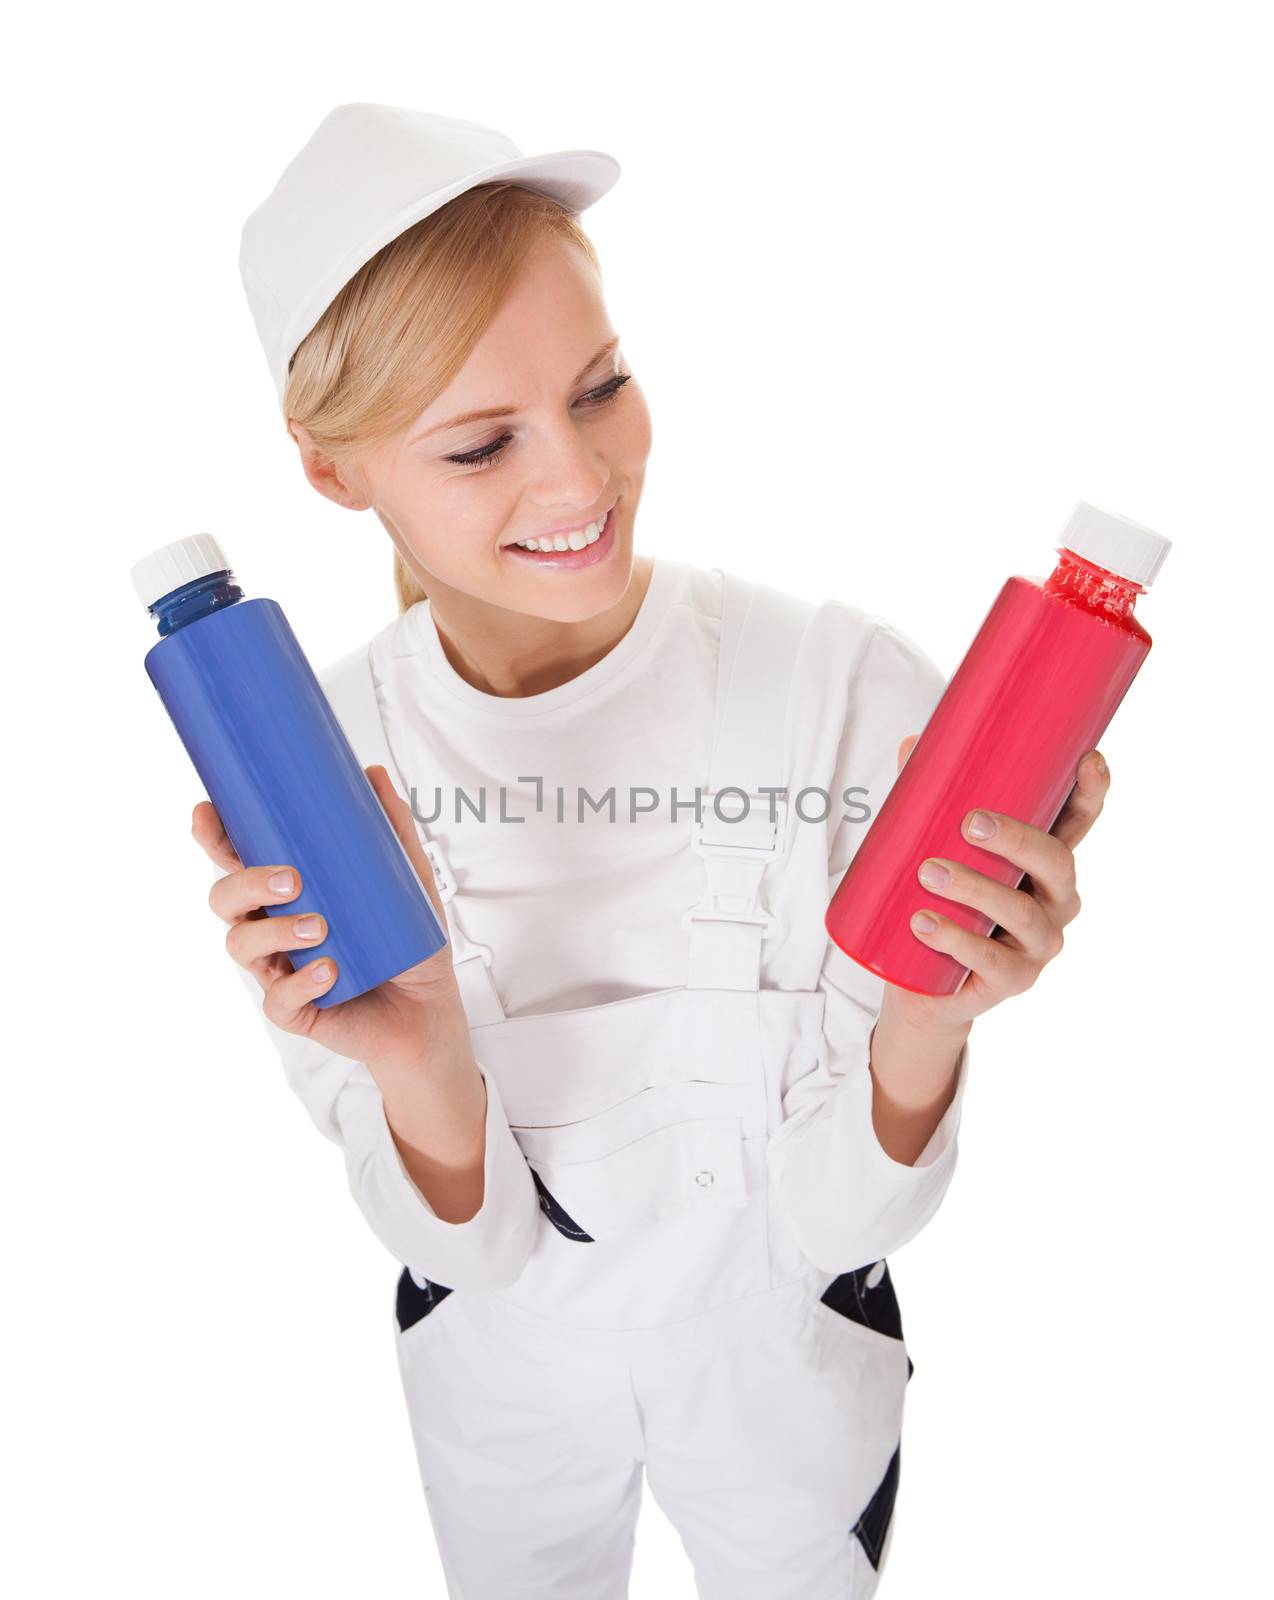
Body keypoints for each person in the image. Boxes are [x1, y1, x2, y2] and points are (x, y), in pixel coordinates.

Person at [197, 103, 1110, 1599]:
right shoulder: (315, 765)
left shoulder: (837, 689)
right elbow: (466, 1253)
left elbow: (843, 1220)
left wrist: (925, 1026)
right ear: (330, 472)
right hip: (497, 1388)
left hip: (788, 1376)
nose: (577, 483)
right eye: (480, 442)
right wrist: (421, 1059)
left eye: (601, 387)